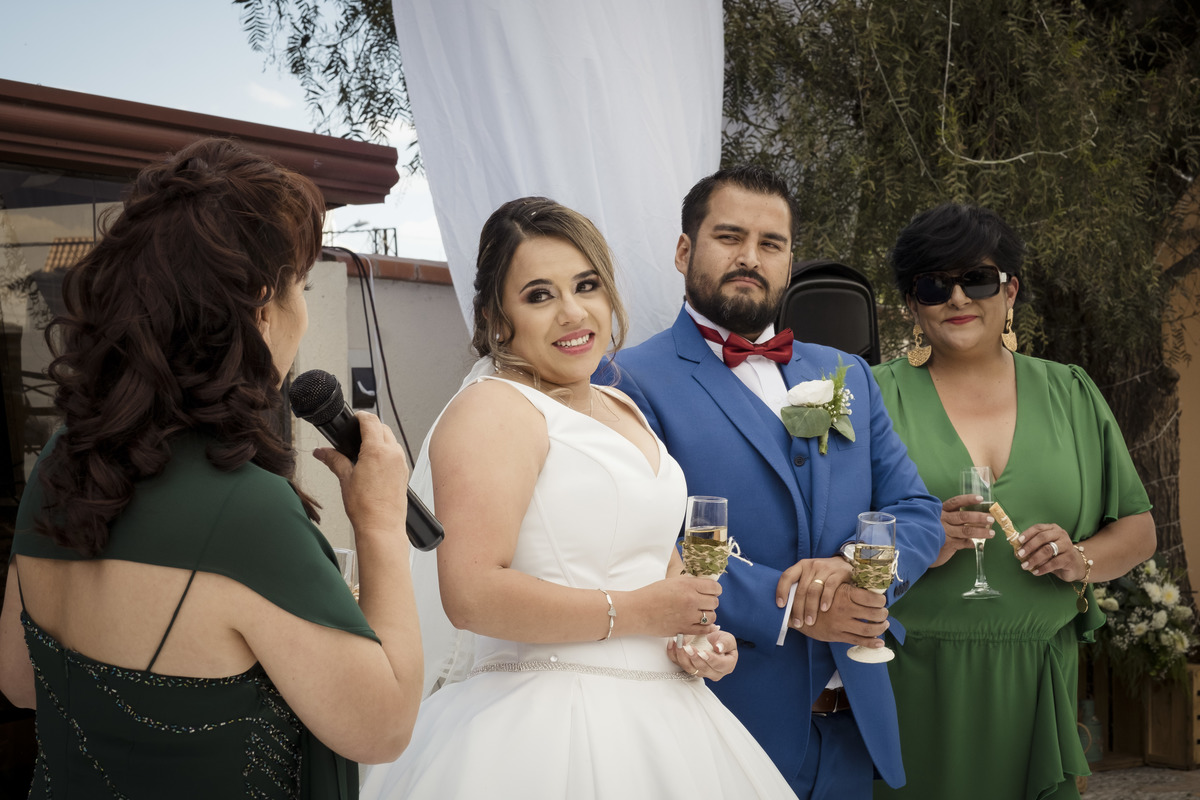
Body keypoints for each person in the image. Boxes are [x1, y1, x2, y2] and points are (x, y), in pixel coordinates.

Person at [0, 138, 423, 799]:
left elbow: (19, 679)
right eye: (302, 286)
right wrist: (380, 525)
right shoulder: (247, 510)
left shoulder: (64, 461)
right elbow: (383, 726)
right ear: (261, 307)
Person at [360, 196, 797, 799]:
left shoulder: (619, 403)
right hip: (543, 719)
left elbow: (652, 557)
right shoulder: (494, 410)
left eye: (586, 285)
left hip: (671, 720)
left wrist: (694, 637)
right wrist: (641, 612)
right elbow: (471, 594)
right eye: (539, 295)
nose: (572, 313)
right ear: (496, 317)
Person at [604, 165, 945, 799]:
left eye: (771, 244)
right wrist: (800, 609)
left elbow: (917, 510)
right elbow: (641, 543)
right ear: (684, 250)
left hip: (850, 724)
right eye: (729, 237)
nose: (750, 258)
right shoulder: (626, 380)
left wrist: (853, 568)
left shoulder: (846, 373)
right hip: (719, 720)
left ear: (789, 263)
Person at [870, 203, 1155, 800]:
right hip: (909, 676)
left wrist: (1081, 557)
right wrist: (918, 544)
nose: (956, 298)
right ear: (910, 305)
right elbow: (829, 540)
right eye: (932, 284)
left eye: (975, 278)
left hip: (1036, 680)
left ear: (1010, 290)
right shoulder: (874, 397)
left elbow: (1137, 526)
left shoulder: (1072, 393)